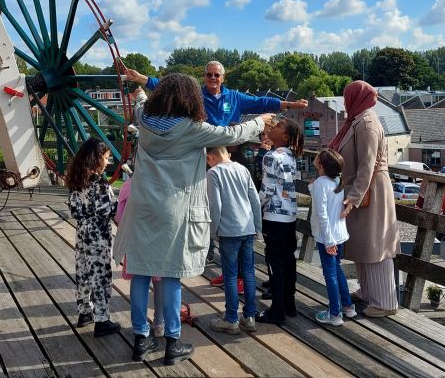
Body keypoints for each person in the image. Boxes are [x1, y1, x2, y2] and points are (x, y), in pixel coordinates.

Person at [113, 73, 273, 364]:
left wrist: (140, 93)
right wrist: (260, 121)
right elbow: (232, 135)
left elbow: (140, 105)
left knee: (139, 271)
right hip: (175, 211)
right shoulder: (193, 129)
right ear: (190, 98)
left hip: (142, 206)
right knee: (172, 273)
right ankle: (172, 342)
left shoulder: (144, 120)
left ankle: (140, 339)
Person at [329, 80, 400, 318]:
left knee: (376, 244)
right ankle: (369, 292)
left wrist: (354, 197)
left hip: (371, 190)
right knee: (363, 243)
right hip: (364, 189)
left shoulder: (367, 123)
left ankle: (385, 302)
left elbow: (368, 166)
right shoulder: (358, 120)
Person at [124, 61, 309, 127]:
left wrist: (290, 105)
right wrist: (142, 79)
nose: (213, 77)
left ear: (223, 77)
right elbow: (169, 87)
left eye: (217, 75)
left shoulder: (235, 97)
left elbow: (263, 102)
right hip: (204, 147)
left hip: (228, 147)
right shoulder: (194, 94)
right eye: (209, 74)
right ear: (204, 76)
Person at [66, 138, 120, 337]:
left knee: (83, 272)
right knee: (101, 276)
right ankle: (102, 319)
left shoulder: (77, 180)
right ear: (96, 159)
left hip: (82, 232)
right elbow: (105, 209)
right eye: (105, 159)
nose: (107, 162)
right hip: (98, 234)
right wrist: (120, 203)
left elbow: (74, 209)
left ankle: (84, 312)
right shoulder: (99, 182)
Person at [205, 145, 261, 335]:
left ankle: (231, 319)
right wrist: (257, 226)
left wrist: (213, 232)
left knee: (230, 275)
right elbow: (254, 199)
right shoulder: (242, 169)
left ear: (210, 157)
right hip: (248, 227)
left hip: (228, 230)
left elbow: (215, 205)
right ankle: (250, 316)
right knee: (248, 273)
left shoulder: (213, 173)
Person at [255, 118, 304, 325]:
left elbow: (267, 190)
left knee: (273, 260)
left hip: (274, 215)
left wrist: (255, 206)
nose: (273, 127)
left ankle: (276, 310)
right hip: (290, 213)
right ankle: (289, 303)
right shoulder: (291, 156)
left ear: (285, 136)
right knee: (288, 258)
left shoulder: (271, 156)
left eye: (278, 126)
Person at [115, 177, 166, 338]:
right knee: (160, 281)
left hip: (135, 240)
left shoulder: (129, 185)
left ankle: (140, 328)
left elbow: (119, 217)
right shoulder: (164, 183)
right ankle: (159, 323)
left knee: (139, 279)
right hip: (159, 239)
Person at [310, 149, 356, 326]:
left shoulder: (321, 183)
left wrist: (328, 242)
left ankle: (335, 314)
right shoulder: (337, 180)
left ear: (320, 164)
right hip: (339, 234)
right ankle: (347, 306)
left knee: (330, 274)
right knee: (337, 270)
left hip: (327, 237)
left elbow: (322, 214)